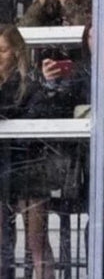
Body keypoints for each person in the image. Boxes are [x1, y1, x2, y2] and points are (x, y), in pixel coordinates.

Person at [41, 22, 104, 278]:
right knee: (101, 222)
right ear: (86, 42)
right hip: (87, 164)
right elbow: (61, 112)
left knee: (99, 223)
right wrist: (50, 85)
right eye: (94, 37)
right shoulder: (79, 73)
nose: (102, 42)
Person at [0, 25, 55, 278]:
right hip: (2, 168)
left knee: (37, 244)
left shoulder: (30, 83)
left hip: (28, 168)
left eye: (2, 50)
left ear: (16, 52)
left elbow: (35, 120)